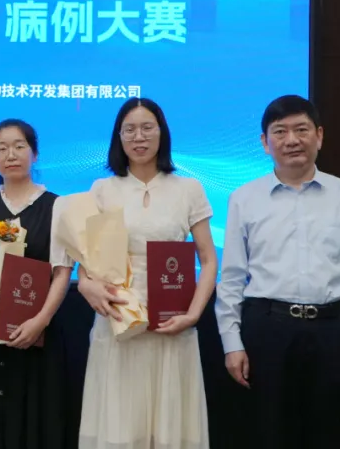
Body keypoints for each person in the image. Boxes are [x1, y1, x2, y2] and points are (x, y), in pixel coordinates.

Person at [215, 94, 340, 449]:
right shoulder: (244, 199)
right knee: (269, 433)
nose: (291, 140)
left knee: (328, 433)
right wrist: (232, 343)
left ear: (319, 135)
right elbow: (231, 278)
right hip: (268, 329)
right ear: (265, 142)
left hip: (333, 330)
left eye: (301, 130)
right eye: (280, 131)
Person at [55, 97, 218, 449]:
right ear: (118, 137)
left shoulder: (188, 189)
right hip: (119, 323)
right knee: (120, 426)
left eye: (147, 128)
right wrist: (86, 287)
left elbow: (208, 260)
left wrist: (193, 315)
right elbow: (87, 259)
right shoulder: (102, 190)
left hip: (172, 324)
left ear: (162, 133)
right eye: (129, 130)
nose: (138, 137)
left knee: (170, 426)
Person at [0, 119, 70, 449]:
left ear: (34, 154)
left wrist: (41, 321)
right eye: (2, 148)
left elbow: (62, 271)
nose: (11, 155)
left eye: (20, 146)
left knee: (35, 417)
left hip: (37, 333)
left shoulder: (57, 205)